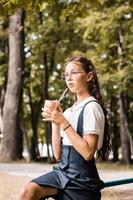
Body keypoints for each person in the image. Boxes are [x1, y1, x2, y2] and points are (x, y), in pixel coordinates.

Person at [19, 56, 110, 200]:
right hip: (62, 173)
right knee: (28, 191)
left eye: (74, 72)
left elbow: (88, 153)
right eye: (66, 75)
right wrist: (56, 121)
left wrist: (63, 123)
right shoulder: (69, 111)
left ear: (89, 76)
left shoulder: (92, 107)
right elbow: (58, 155)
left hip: (83, 181)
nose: (69, 78)